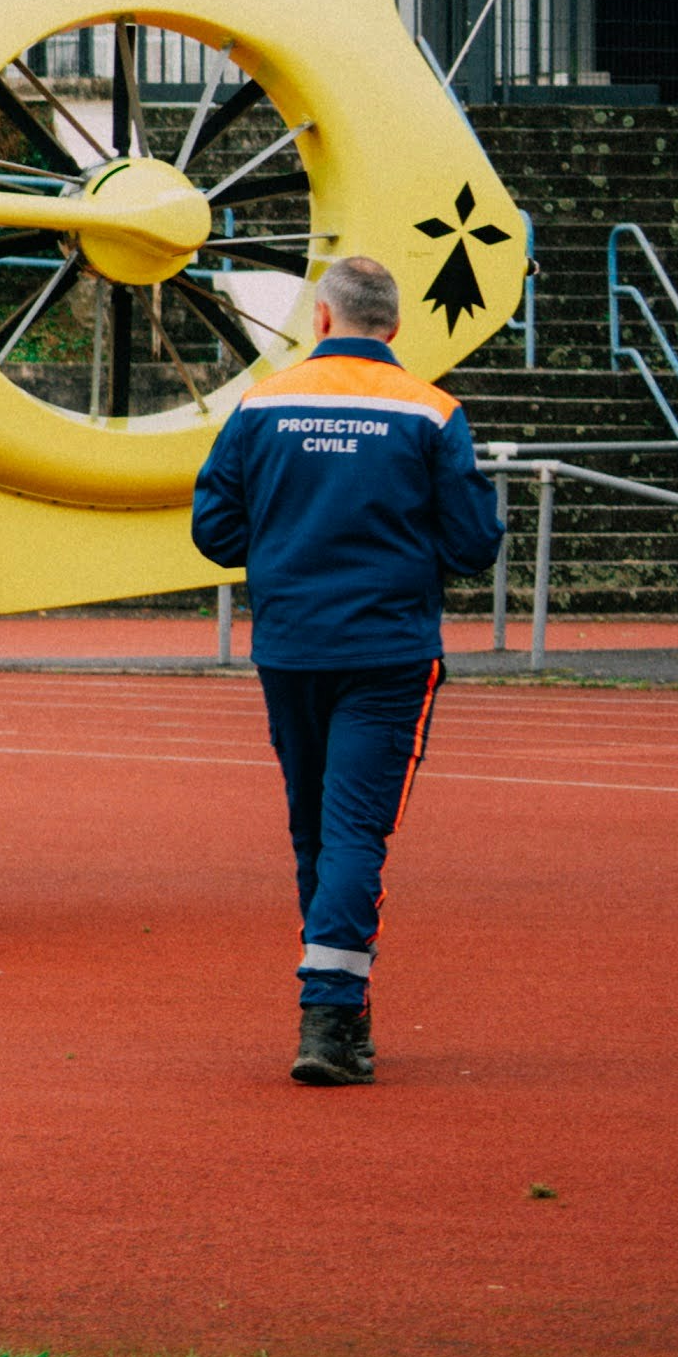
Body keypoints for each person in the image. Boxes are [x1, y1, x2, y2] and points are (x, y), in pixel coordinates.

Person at [189, 252, 502, 1088]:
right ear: (393, 327)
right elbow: (474, 544)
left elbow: (212, 530)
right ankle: (330, 1012)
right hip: (389, 648)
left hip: (291, 644)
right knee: (355, 832)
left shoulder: (261, 402)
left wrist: (288, 540)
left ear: (321, 319)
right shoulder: (432, 411)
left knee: (314, 830)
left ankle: (339, 1006)